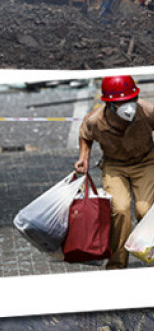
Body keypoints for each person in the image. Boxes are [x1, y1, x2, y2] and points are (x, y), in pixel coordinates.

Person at [75, 75, 154, 269]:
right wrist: (83, 157)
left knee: (145, 211)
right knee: (119, 210)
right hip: (115, 166)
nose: (128, 107)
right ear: (110, 104)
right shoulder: (95, 120)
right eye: (121, 103)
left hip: (146, 162)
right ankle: (117, 264)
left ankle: (149, 252)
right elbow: (85, 136)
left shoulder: (147, 110)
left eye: (130, 100)